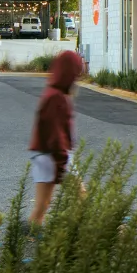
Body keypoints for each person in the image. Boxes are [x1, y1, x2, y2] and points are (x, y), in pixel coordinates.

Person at [28, 49, 83, 227]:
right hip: (55, 155)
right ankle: (97, 233)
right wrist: (62, 164)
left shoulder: (52, 93)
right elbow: (56, 135)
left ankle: (27, 235)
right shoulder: (56, 98)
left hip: (44, 154)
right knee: (81, 197)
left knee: (42, 205)